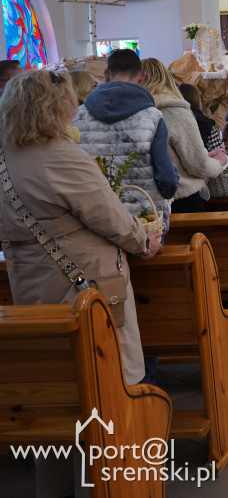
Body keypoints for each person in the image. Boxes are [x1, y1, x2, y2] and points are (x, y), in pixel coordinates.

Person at [0, 71, 162, 498]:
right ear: (54, 108)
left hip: (29, 287)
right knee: (110, 386)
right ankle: (119, 483)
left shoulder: (5, 158)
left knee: (52, 395)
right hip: (85, 286)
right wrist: (145, 239)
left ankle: (52, 489)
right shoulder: (62, 157)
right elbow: (112, 219)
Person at [74, 49, 178, 233]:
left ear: (106, 75)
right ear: (142, 77)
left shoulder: (77, 116)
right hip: (144, 222)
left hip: (96, 221)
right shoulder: (152, 117)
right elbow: (167, 179)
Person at [141, 58, 225, 213]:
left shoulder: (134, 109)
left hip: (142, 199)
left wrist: (206, 155)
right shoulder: (174, 109)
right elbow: (198, 165)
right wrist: (218, 163)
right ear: (167, 77)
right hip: (180, 199)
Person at [179, 82, 225, 156]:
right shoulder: (206, 123)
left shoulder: (173, 120)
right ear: (196, 99)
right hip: (204, 165)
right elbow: (218, 154)